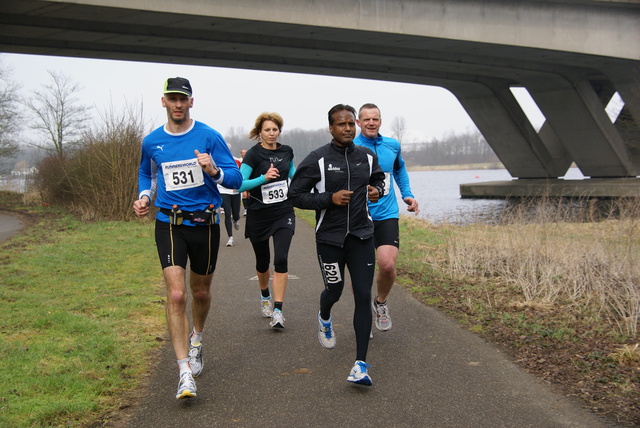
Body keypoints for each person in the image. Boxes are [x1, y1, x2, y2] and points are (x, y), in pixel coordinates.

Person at [133, 77, 242, 399]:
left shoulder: (209, 136)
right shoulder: (152, 141)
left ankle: (197, 337)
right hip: (169, 222)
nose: (178, 104)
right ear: (163, 101)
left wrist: (214, 171)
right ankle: (184, 373)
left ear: (191, 102)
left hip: (205, 223)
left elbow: (235, 178)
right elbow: (147, 173)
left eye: (183, 99)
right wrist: (143, 196)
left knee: (201, 292)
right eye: (172, 98)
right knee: (178, 295)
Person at [289, 104, 385, 386]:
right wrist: (327, 199)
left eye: (349, 124)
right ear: (330, 128)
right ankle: (325, 314)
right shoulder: (317, 159)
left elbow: (380, 180)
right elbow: (295, 196)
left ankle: (360, 365)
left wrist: (377, 190)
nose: (346, 128)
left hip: (362, 236)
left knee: (363, 293)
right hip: (329, 240)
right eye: (340, 124)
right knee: (335, 290)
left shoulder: (367, 156)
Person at [354, 103, 420, 332]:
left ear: (380, 121)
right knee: (360, 272)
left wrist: (408, 195)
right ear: (358, 122)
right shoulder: (351, 147)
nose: (371, 123)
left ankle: (380, 303)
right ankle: (362, 314)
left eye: (375, 119)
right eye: (366, 119)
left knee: (388, 265)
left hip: (387, 214)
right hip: (358, 216)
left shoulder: (392, 145)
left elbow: (400, 170)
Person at [237, 112, 296, 329]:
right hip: (259, 214)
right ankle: (264, 296)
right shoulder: (253, 155)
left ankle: (278, 311)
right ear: (259, 132)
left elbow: (294, 175)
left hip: (283, 212)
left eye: (275, 129)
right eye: (267, 130)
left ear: (280, 131)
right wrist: (263, 178)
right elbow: (239, 184)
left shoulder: (287, 151)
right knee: (263, 263)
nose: (272, 133)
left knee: (281, 259)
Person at [219, 144, 242, 247]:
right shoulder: (216, 161)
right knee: (227, 213)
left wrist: (239, 185)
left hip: (235, 191)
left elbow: (242, 174)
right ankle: (230, 237)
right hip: (223, 190)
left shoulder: (237, 161)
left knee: (236, 213)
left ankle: (236, 219)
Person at [239, 148, 250, 216]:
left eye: (245, 152)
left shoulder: (249, 159)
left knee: (249, 196)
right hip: (243, 180)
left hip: (250, 179)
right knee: (244, 195)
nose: (244, 154)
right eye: (242, 153)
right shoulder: (239, 161)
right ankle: (245, 209)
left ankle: (249, 208)